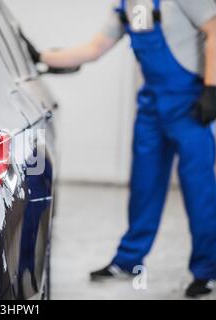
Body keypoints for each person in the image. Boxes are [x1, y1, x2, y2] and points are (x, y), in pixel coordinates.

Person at [25, 0, 216, 298]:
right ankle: (128, 261)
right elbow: (95, 48)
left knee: (199, 189)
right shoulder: (127, 6)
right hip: (151, 105)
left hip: (189, 103)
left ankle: (207, 272)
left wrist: (212, 89)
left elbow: (214, 29)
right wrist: (39, 55)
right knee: (144, 185)